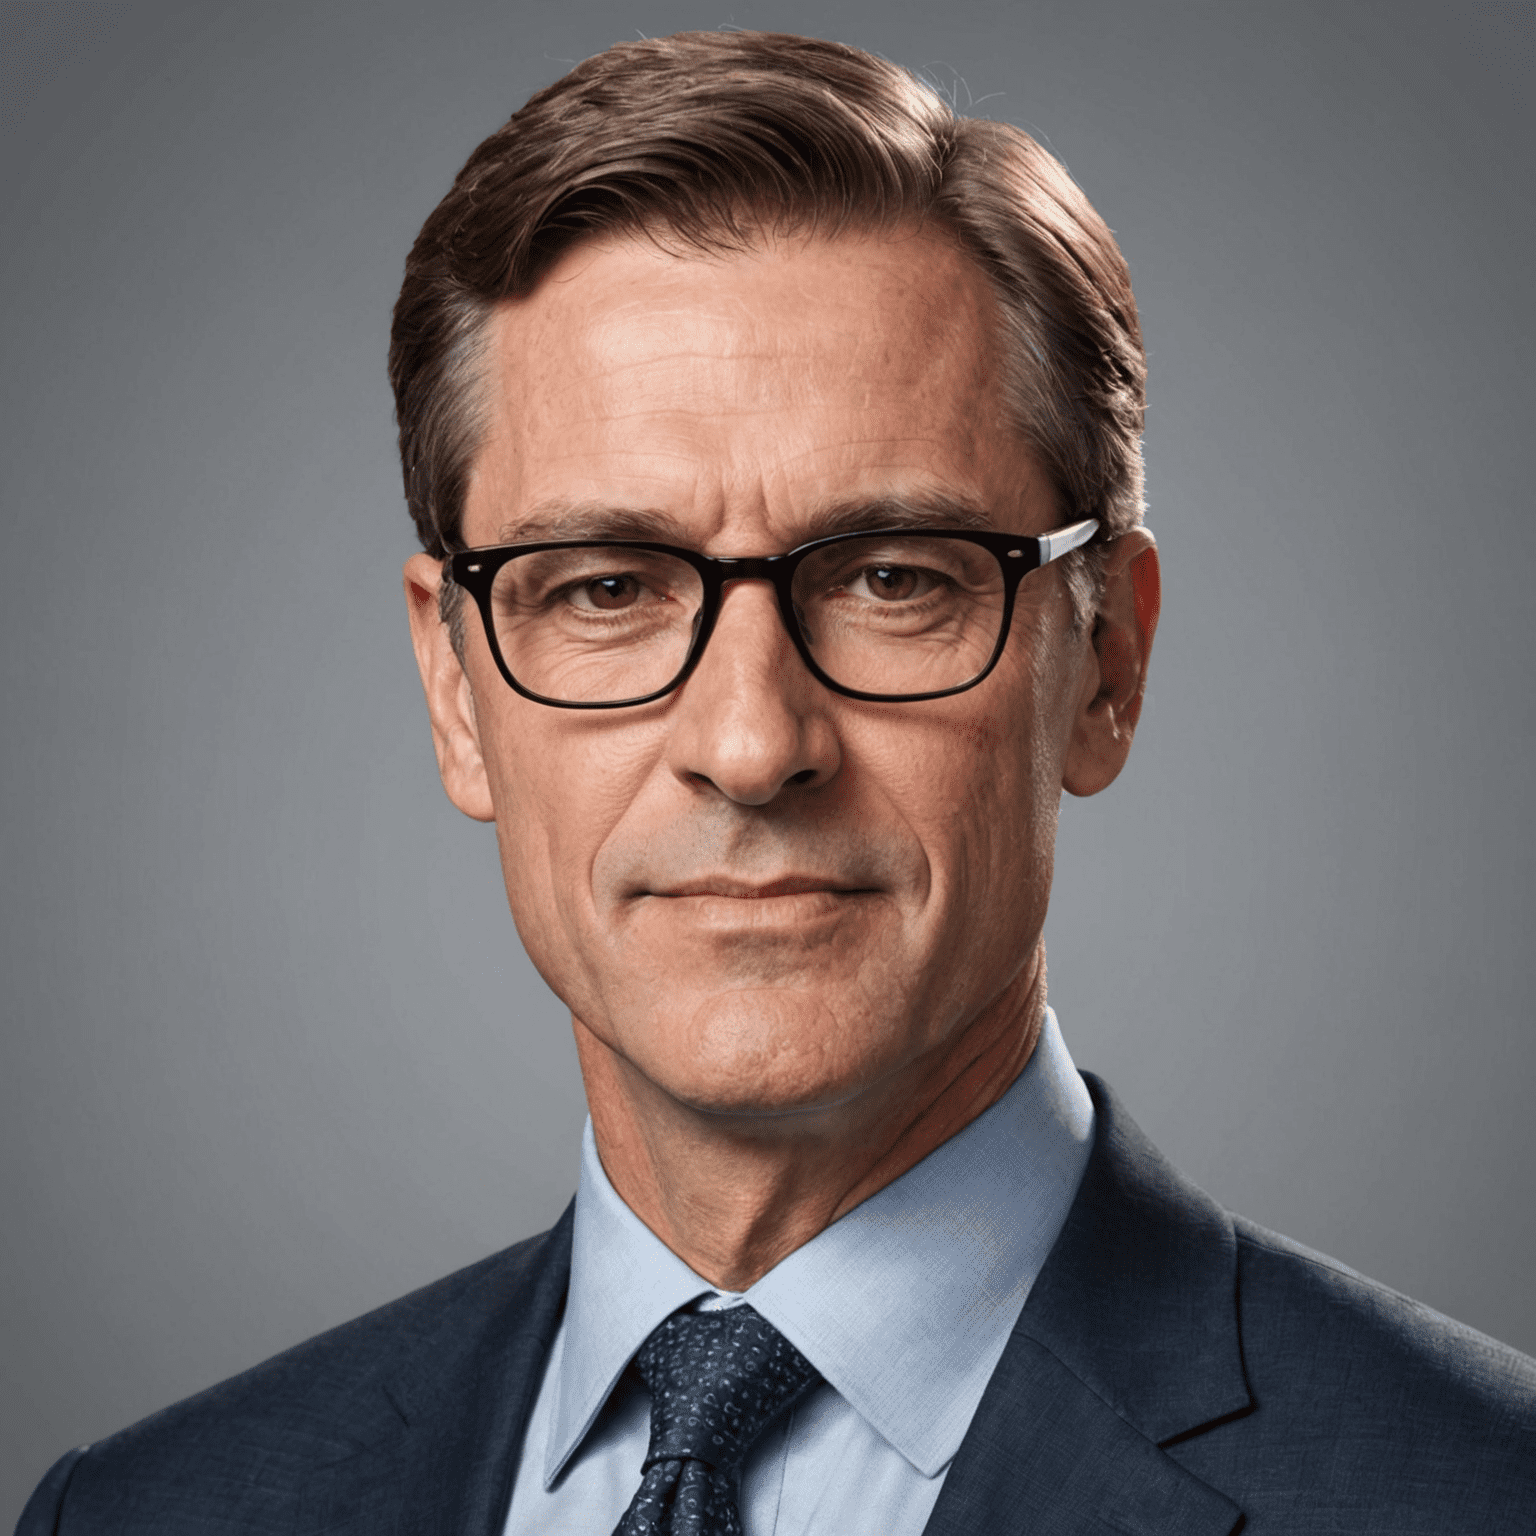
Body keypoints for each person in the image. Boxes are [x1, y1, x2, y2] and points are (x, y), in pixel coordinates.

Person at [18, 29, 1533, 1536]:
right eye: (606, 588)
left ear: (1108, 667)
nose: (750, 746)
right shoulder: (150, 1513)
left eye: (891, 578)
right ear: (456, 690)